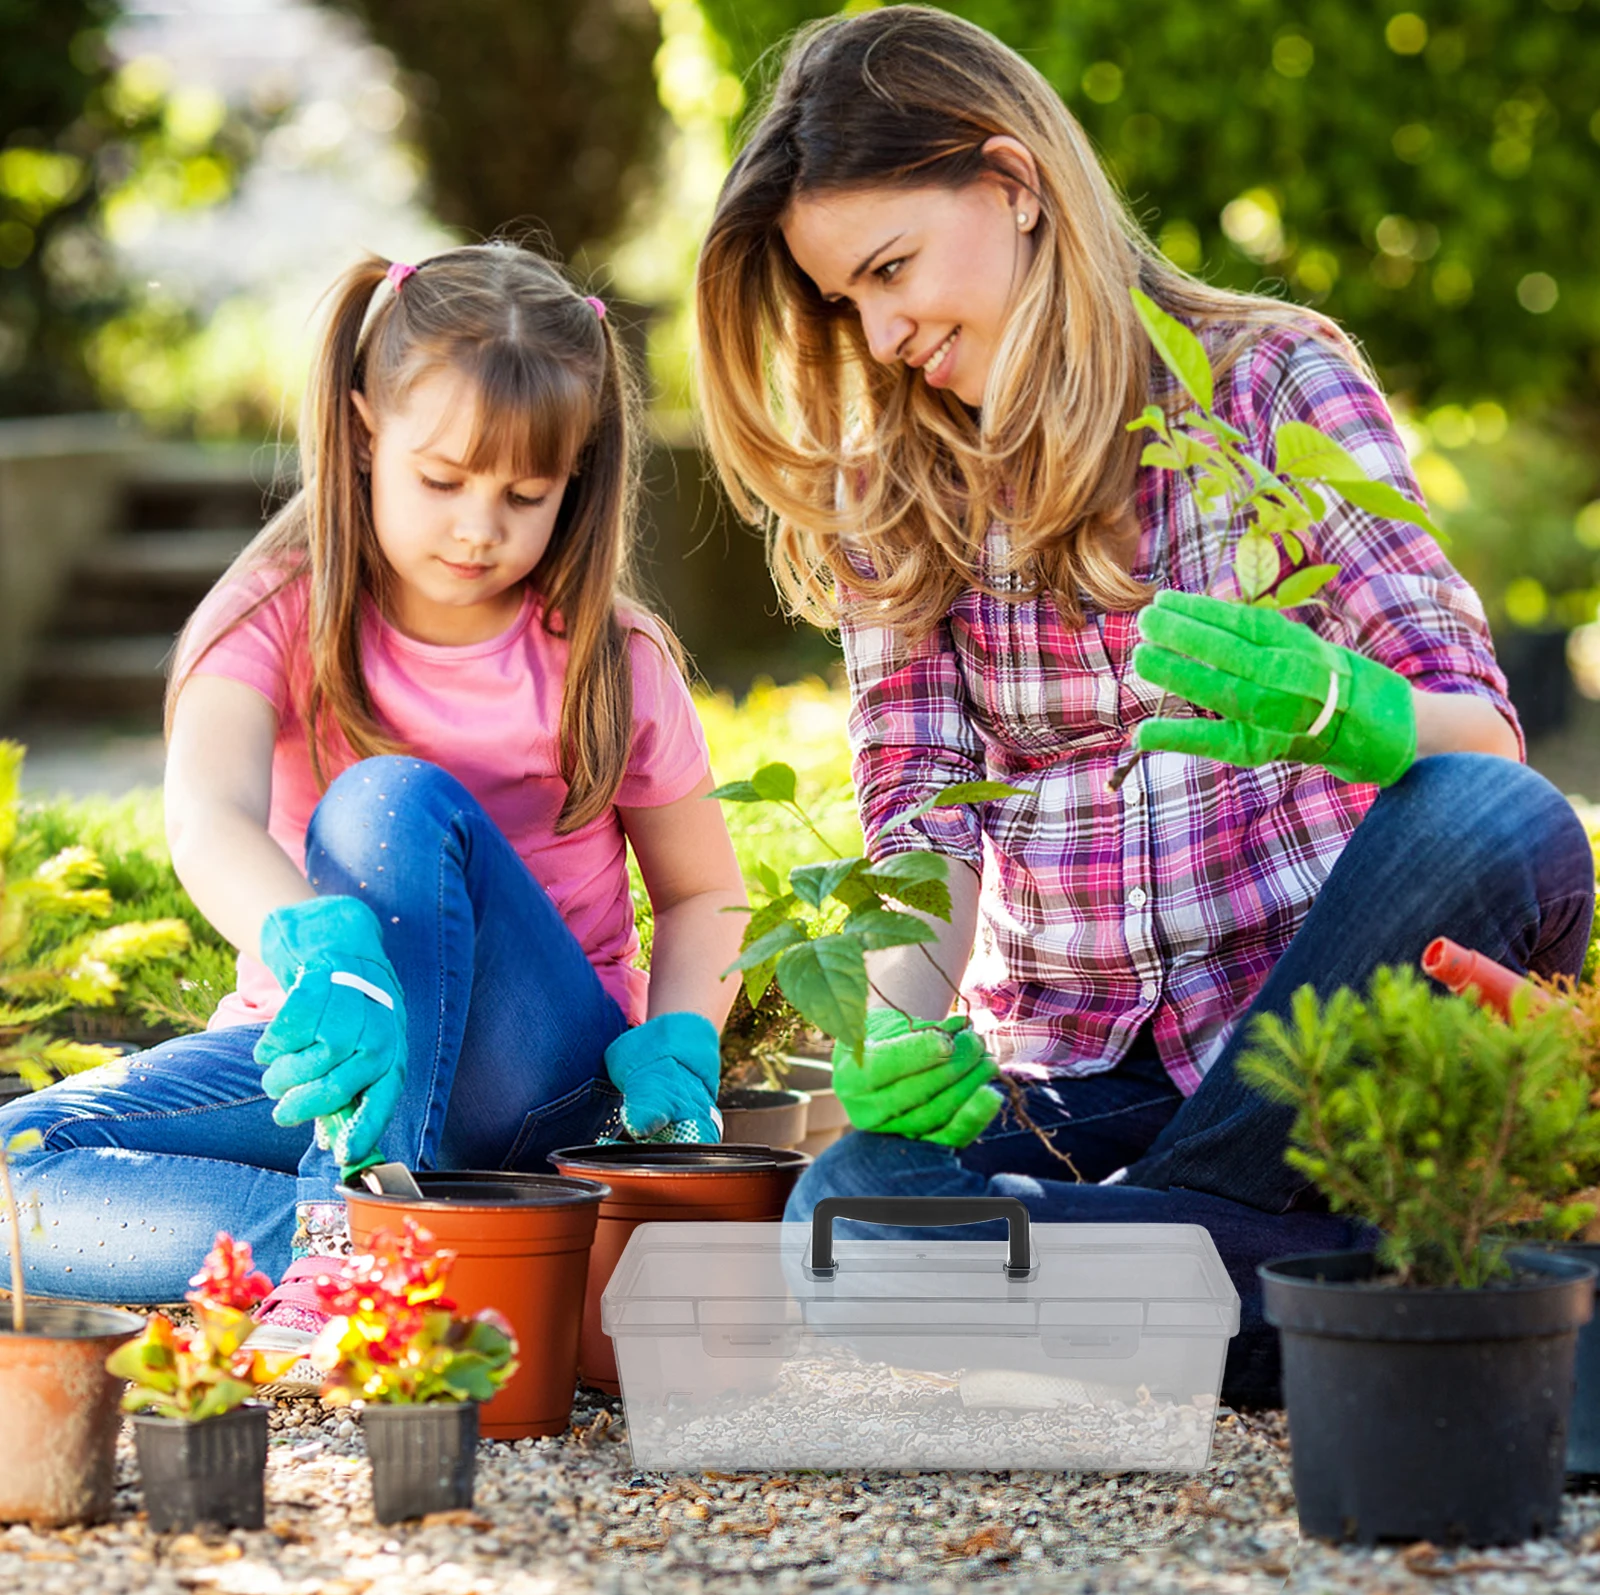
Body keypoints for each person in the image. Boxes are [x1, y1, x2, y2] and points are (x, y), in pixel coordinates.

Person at [692, 8, 1594, 1401]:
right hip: (1076, 1076)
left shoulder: (1271, 379)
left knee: (1488, 820)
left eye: (891, 269)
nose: (883, 331)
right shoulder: (902, 493)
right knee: (847, 1205)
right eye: (845, 305)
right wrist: (894, 1032)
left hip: (1308, 1037)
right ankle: (1331, 1276)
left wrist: (1352, 714)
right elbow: (921, 817)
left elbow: (1483, 742)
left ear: (1014, 183)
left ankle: (1142, 1271)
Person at [0, 244, 746, 1368]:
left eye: (524, 495)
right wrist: (315, 947)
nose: (476, 528)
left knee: (384, 803)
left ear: (575, 479)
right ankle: (392, 1252)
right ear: (360, 432)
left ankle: (352, 1239)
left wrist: (680, 1042)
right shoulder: (268, 615)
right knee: (20, 1159)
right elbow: (208, 815)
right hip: (327, 1063)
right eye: (441, 479)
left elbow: (701, 892)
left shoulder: (609, 654)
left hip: (536, 1082)